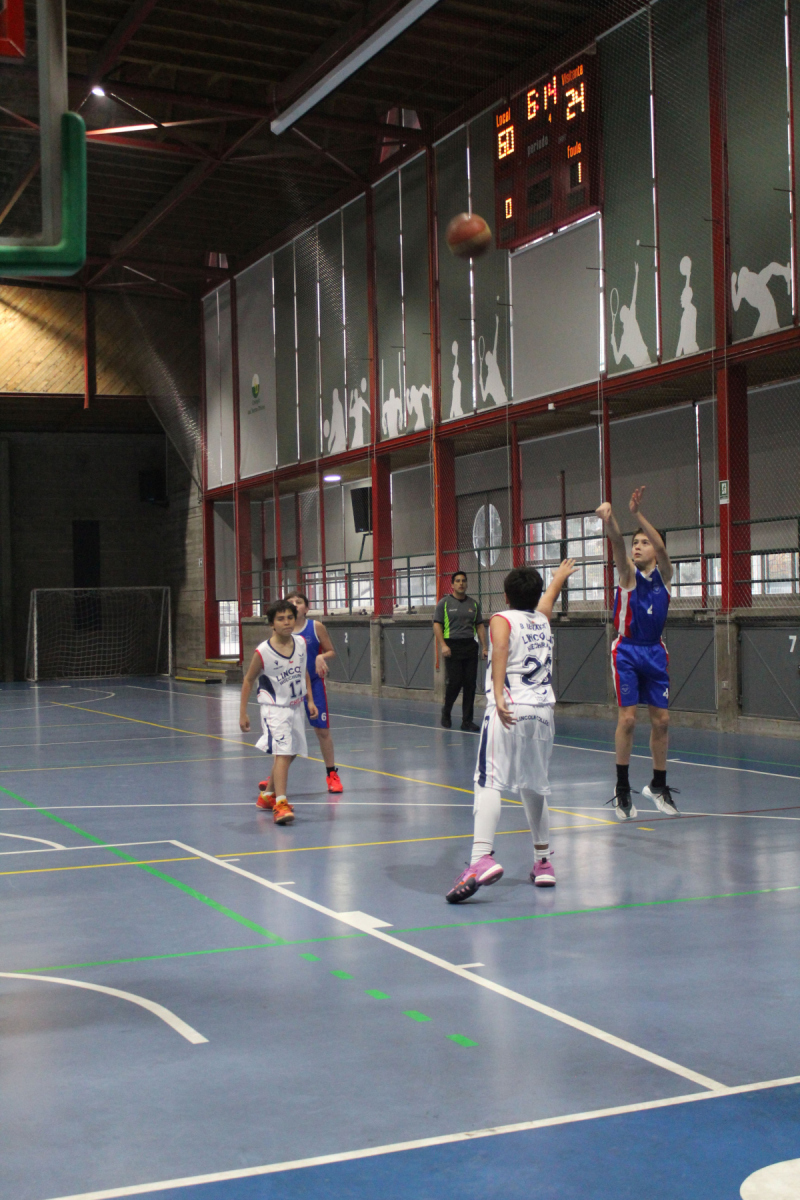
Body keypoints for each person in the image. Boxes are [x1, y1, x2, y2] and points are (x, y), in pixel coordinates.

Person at [445, 560, 576, 904]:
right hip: (542, 713)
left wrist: (500, 693)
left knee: (488, 781)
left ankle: (480, 858)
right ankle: (543, 863)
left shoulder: (500, 620)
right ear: (536, 594)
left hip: (510, 709)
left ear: (505, 596)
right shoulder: (542, 620)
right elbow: (547, 600)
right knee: (534, 786)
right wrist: (559, 578)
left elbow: (500, 648)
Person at [596, 487, 679, 820]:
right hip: (627, 650)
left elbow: (663, 547)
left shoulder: (665, 576)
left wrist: (637, 514)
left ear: (655, 551)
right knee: (628, 719)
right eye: (636, 543)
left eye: (644, 542)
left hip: (655, 651)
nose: (638, 546)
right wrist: (611, 519)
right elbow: (617, 543)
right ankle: (622, 787)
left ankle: (658, 785)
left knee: (663, 721)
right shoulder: (628, 576)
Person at [239, 599, 318, 826]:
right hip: (274, 708)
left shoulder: (300, 643)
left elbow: (303, 672)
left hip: (296, 706)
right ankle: (280, 803)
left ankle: (267, 796)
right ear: (271, 624)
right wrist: (243, 712)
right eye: (281, 619)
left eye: (290, 618)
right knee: (283, 753)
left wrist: (310, 699)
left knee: (292, 752)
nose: (286, 622)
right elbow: (248, 680)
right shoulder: (263, 651)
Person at [433, 571, 487, 732]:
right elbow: (437, 625)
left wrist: (484, 646)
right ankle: (446, 711)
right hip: (452, 646)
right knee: (455, 682)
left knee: (470, 684)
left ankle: (467, 721)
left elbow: (479, 626)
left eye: (463, 581)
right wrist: (443, 645)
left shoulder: (473, 604)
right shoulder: (444, 603)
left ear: (466, 583)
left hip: (470, 645)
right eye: (457, 581)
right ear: (452, 584)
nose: (461, 583)